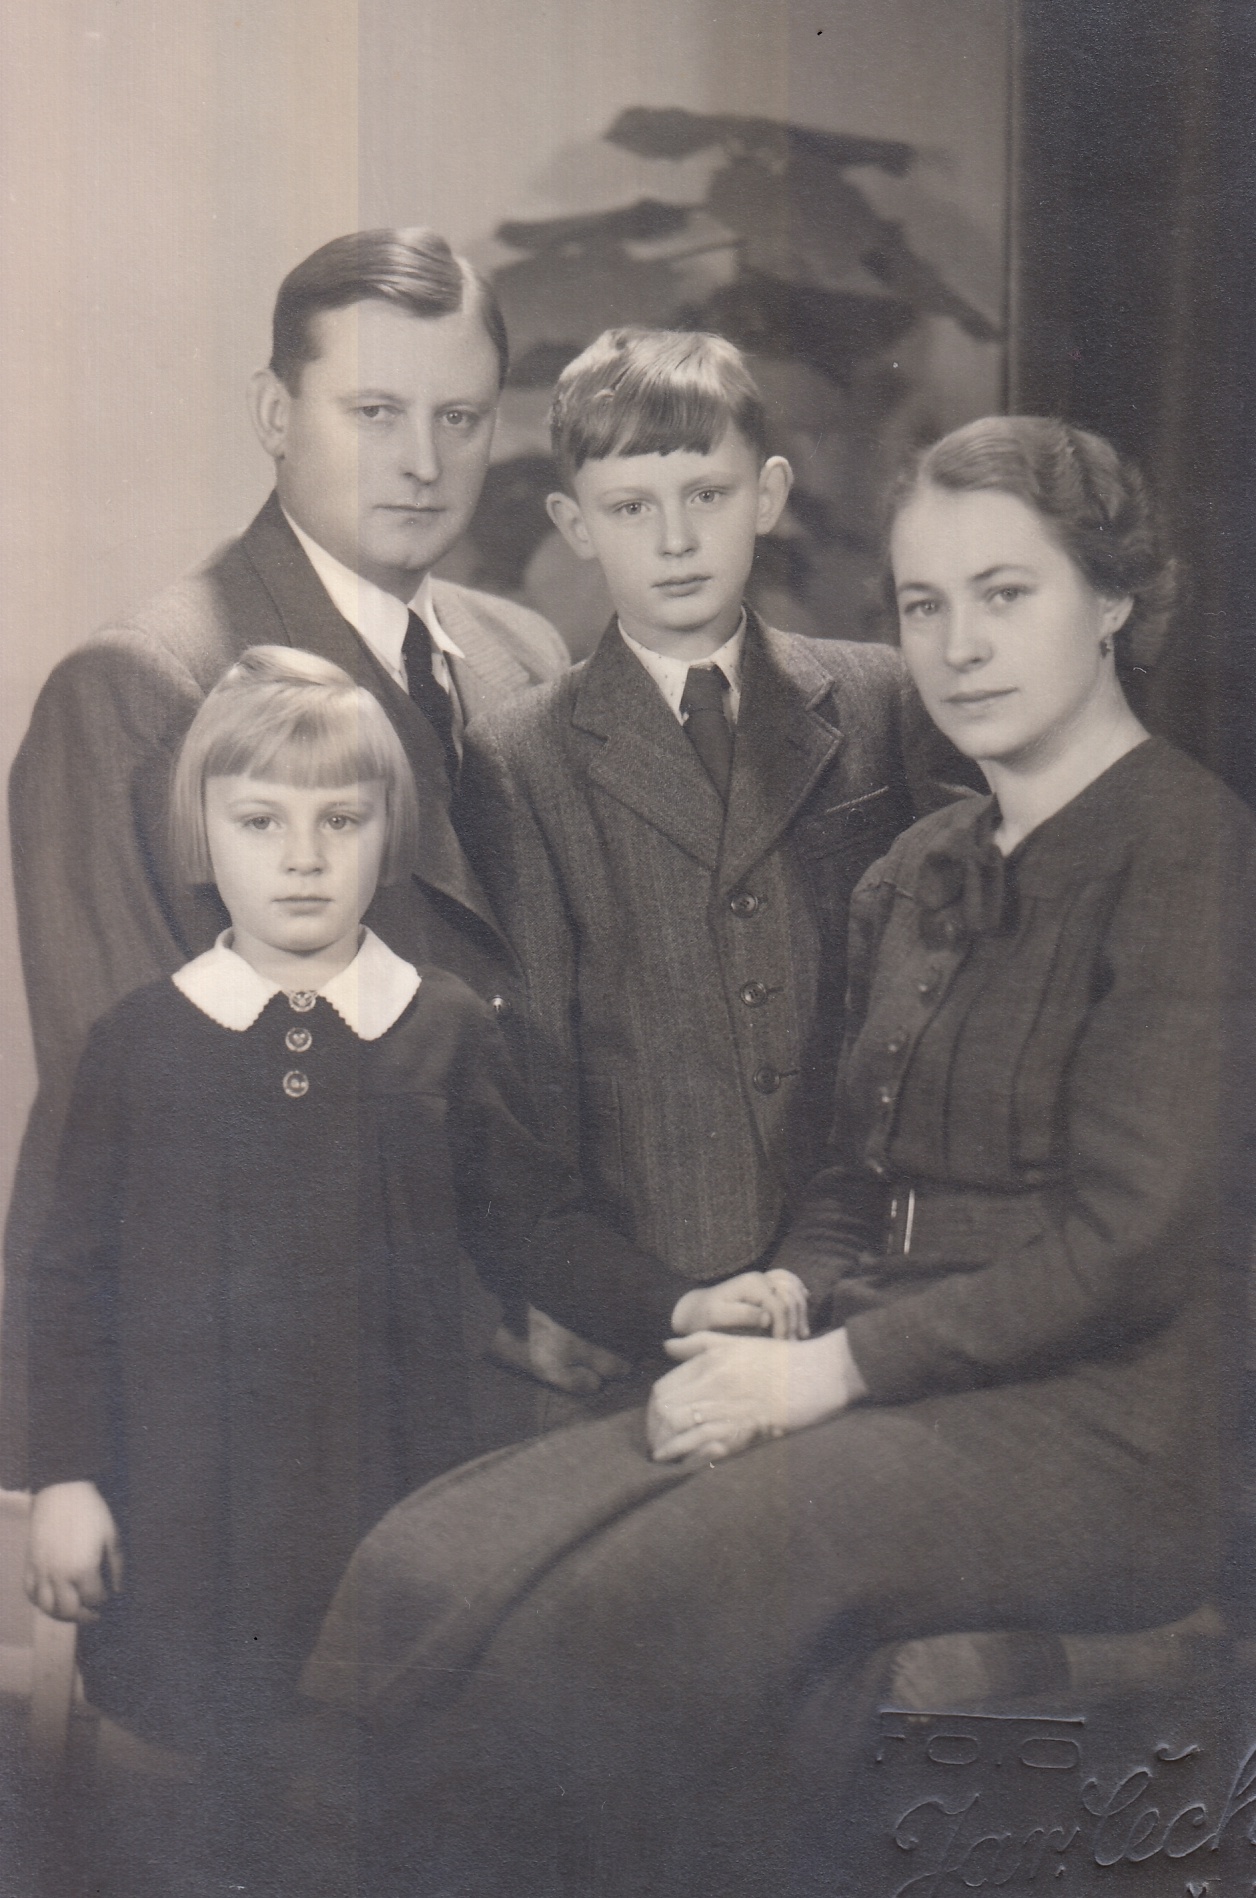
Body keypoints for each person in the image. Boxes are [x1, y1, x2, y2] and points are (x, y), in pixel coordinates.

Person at [302, 417, 1256, 1897]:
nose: (957, 645)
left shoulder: (1192, 851)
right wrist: (786, 1304)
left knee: (627, 1601)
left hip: (1114, 1426)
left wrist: (827, 1376)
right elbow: (853, 1179)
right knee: (431, 1552)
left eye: (1006, 594)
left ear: (1113, 600)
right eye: (923, 604)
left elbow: (1130, 1246)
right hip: (898, 1365)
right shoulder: (922, 870)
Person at [21, 646, 802, 1887]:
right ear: (201, 830)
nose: (301, 856)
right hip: (184, 1507)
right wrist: (65, 1475)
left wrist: (677, 1301)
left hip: (378, 1488)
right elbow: (66, 1279)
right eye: (260, 820)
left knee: (370, 1794)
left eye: (341, 820)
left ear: (389, 834)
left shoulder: (441, 1029)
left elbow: (536, 1228)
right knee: (196, 1804)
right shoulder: (139, 1043)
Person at [2, 226, 571, 1483]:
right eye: (374, 412)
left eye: (460, 418)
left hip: (534, 1363)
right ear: (274, 412)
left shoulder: (523, 653)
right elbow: (144, 1133)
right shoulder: (142, 686)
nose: (423, 462)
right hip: (269, 1406)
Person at [461, 328, 969, 1386]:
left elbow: (929, 1002)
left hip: (872, 1268)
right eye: (630, 509)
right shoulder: (521, 756)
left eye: (707, 493)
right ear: (574, 524)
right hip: (662, 1299)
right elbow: (541, 1085)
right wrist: (627, 1299)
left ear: (768, 494)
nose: (676, 539)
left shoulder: (878, 697)